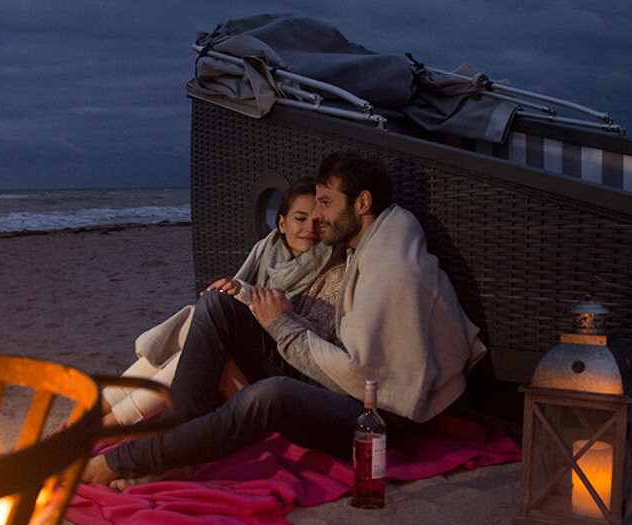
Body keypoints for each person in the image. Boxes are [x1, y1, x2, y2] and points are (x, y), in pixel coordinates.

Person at [82, 152, 486, 487]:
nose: (319, 215)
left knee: (270, 395)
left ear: (362, 204)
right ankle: (174, 451)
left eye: (326, 203)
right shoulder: (363, 245)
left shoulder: (391, 267)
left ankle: (124, 461)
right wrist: (259, 307)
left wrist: (282, 325)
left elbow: (364, 378)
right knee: (215, 305)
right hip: (337, 383)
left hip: (373, 418)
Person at [100, 178, 345, 427]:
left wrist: (249, 296)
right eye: (300, 219)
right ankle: (96, 409)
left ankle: (109, 423)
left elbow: (316, 344)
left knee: (204, 337)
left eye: (318, 221)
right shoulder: (267, 249)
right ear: (282, 223)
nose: (309, 229)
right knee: (200, 332)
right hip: (256, 346)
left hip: (287, 365)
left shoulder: (334, 267)